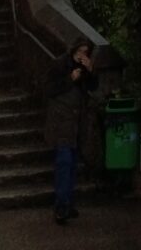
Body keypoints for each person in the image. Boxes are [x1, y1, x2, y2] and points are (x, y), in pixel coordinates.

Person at [44, 38, 98, 224]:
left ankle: (67, 202)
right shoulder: (60, 64)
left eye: (85, 52)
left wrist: (90, 70)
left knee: (72, 163)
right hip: (61, 121)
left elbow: (93, 87)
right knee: (64, 162)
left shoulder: (84, 67)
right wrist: (70, 79)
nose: (82, 55)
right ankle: (61, 206)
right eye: (80, 51)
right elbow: (49, 89)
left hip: (76, 122)